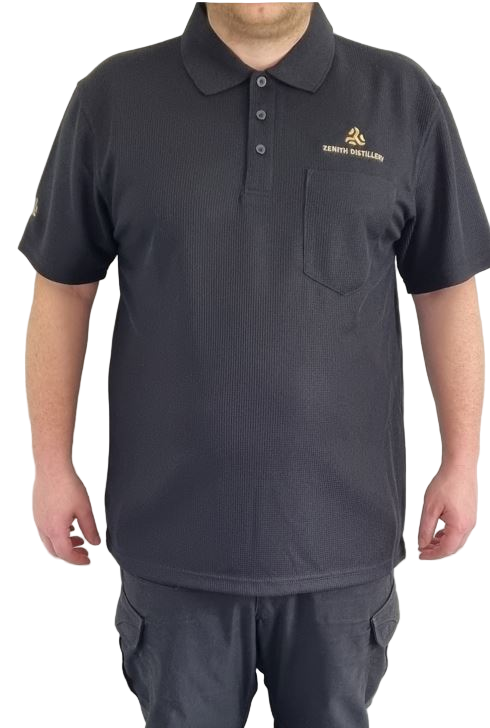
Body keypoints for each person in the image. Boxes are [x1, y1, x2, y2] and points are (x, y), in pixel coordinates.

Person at [20, 2, 486, 726]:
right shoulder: (111, 98)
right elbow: (63, 288)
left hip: (344, 549)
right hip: (171, 551)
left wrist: (463, 461)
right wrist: (51, 464)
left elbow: (446, 291)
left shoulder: (402, 97)